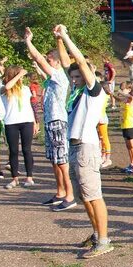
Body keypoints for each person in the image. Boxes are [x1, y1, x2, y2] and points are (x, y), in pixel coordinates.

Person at [56, 25, 112, 259]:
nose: (75, 78)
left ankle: (105, 240)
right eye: (73, 76)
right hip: (74, 147)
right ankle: (96, 234)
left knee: (93, 195)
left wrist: (67, 36)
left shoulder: (93, 91)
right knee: (84, 196)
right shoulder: (77, 92)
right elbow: (66, 63)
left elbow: (77, 60)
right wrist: (58, 38)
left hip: (87, 147)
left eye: (79, 75)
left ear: (87, 75)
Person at [23, 27, 75, 209]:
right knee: (54, 160)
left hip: (59, 122)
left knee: (62, 161)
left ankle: (70, 195)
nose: (47, 61)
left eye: (49, 60)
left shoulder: (60, 76)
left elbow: (38, 59)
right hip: (51, 122)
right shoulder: (53, 77)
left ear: (58, 63)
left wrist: (28, 41)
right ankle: (60, 192)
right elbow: (41, 67)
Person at [0, 66, 36, 189]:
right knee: (14, 151)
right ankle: (15, 179)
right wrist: (19, 74)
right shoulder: (4, 89)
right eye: (19, 75)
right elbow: (8, 86)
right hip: (11, 122)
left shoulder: (25, 89)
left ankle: (29, 177)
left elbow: (29, 106)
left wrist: (35, 122)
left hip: (27, 121)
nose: (22, 77)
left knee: (27, 149)